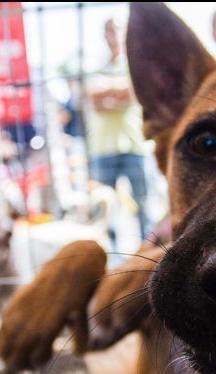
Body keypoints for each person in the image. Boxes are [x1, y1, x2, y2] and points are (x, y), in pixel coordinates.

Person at [85, 19, 151, 246]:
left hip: (134, 144)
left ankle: (148, 262)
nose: (113, 36)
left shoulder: (137, 64)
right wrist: (119, 94)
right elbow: (93, 98)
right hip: (104, 148)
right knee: (105, 213)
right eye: (109, 31)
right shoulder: (96, 67)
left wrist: (109, 95)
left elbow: (133, 92)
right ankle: (111, 263)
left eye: (117, 30)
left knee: (143, 208)